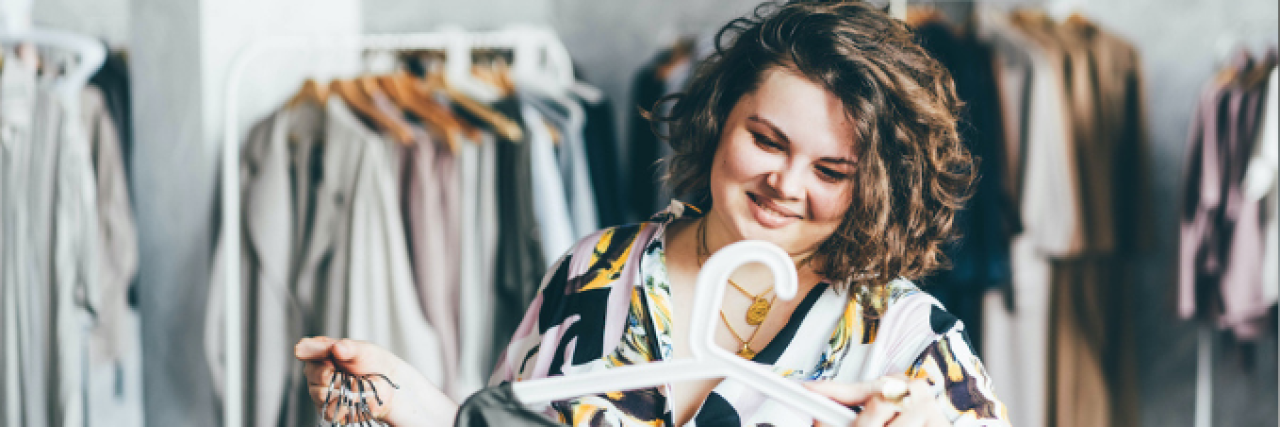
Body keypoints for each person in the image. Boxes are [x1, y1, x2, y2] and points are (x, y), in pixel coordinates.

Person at [295, 1, 1009, 425]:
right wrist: (426, 407)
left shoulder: (906, 340)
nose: (784, 183)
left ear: (876, 186)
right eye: (766, 139)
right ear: (721, 120)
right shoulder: (593, 274)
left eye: (831, 170)